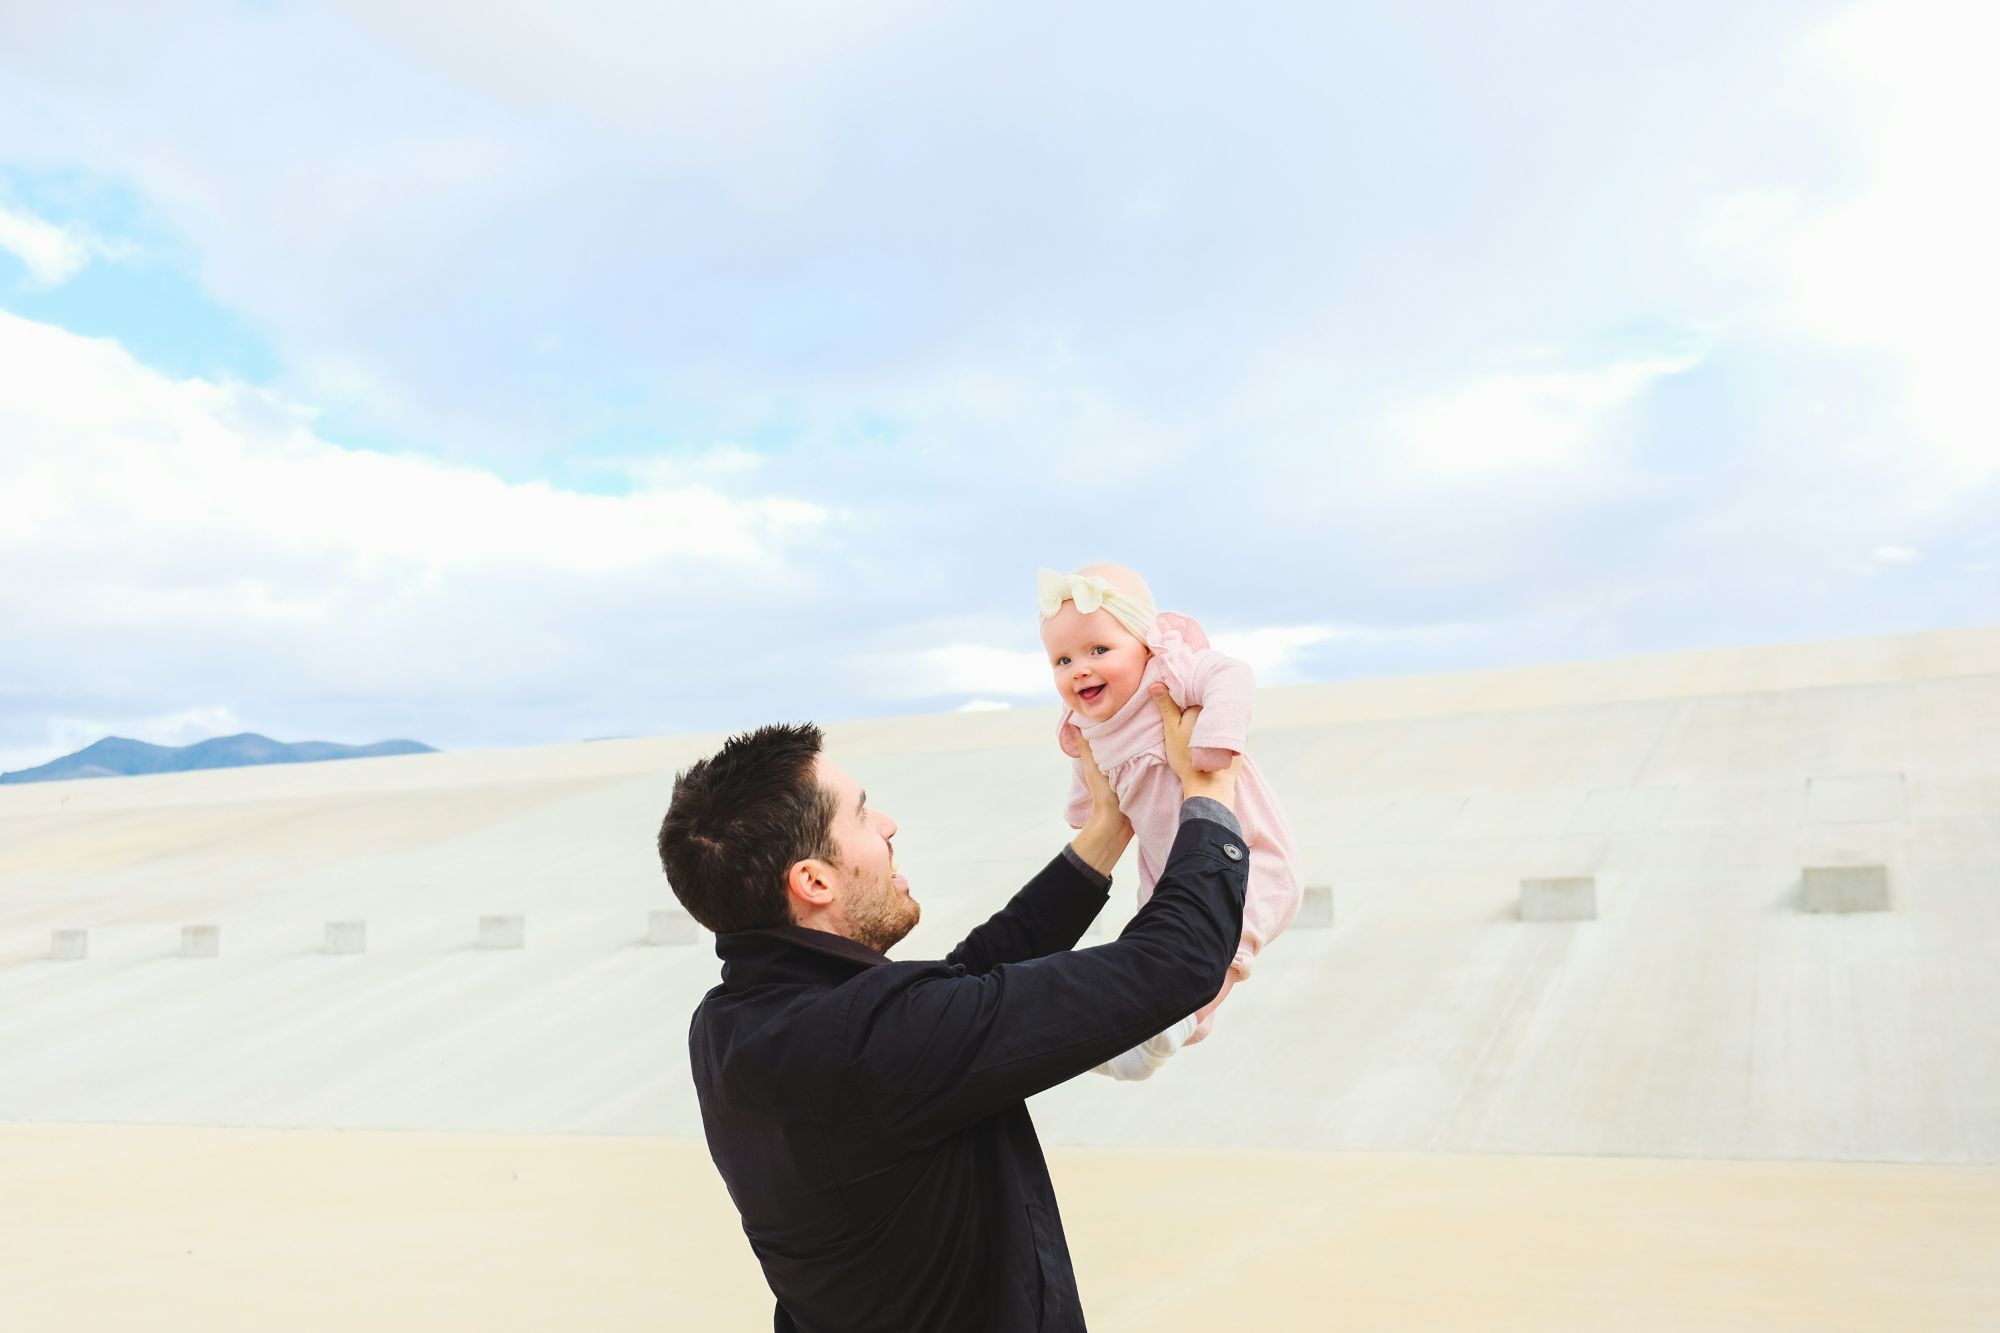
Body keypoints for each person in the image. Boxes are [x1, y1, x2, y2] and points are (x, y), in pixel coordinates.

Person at [657, 691, 1248, 1332]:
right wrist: (1210, 790)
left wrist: (1103, 837)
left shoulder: (730, 1023)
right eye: (860, 817)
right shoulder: (868, 1040)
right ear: (815, 881)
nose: (887, 824)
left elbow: (955, 994)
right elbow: (1176, 962)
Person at [1037, 563, 1303, 1080]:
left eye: (1099, 650)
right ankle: (1148, 1027)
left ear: (1146, 642)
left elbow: (1233, 675)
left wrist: (1216, 739)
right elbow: (1088, 778)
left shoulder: (1172, 673)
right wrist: (1087, 812)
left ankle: (1169, 1027)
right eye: (1062, 659)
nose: (1079, 669)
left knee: (1219, 942)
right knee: (1153, 944)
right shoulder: (1085, 722)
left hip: (1245, 851)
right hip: (1165, 867)